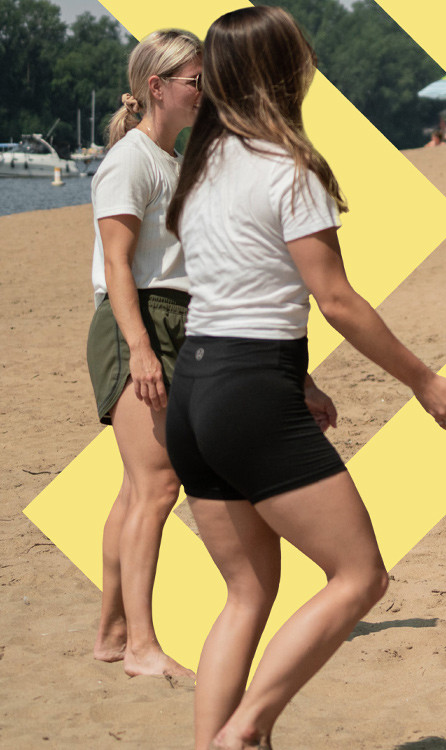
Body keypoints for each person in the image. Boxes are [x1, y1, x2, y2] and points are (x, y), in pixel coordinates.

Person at [163, 7, 446, 749]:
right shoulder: (288, 168)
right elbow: (334, 300)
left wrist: (298, 380)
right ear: (283, 70)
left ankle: (218, 744)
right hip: (248, 391)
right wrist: (422, 379)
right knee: (360, 576)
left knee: (246, 593)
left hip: (196, 389)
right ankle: (246, 729)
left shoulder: (201, 168)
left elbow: (238, 286)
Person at [85, 27, 203, 679]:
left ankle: (111, 633)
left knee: (137, 488)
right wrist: (141, 349)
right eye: (196, 81)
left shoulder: (170, 160)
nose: (205, 92)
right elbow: (117, 264)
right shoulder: (130, 161)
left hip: (170, 321)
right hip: (138, 323)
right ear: (157, 87)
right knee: (158, 486)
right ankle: (141, 647)